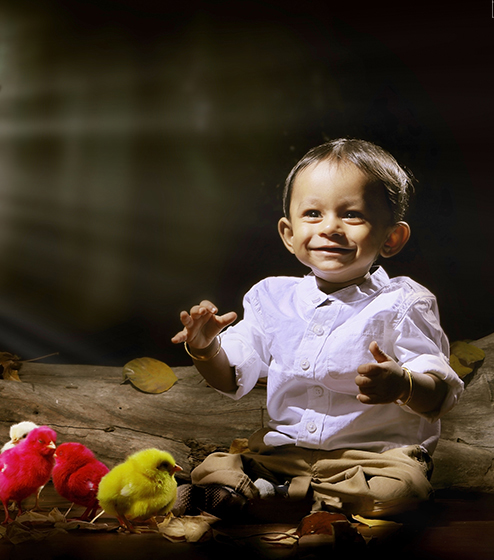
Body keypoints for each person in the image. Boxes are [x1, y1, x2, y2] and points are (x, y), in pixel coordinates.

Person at [171, 138, 464, 521]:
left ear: (391, 238)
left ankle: (271, 499)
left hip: (374, 459)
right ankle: (280, 494)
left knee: (401, 488)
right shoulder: (271, 297)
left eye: (352, 215)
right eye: (313, 213)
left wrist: (403, 385)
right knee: (220, 465)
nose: (330, 228)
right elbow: (230, 378)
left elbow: (441, 395)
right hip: (285, 454)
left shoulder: (403, 302)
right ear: (289, 234)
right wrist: (205, 348)